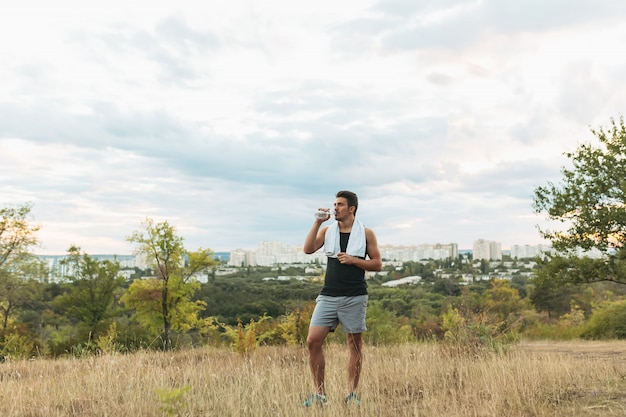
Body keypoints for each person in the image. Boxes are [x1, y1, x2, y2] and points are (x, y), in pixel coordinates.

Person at [302, 190, 382, 407]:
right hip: (328, 295)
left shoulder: (366, 233)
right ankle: (320, 395)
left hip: (355, 296)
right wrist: (317, 223)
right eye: (334, 204)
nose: (335, 208)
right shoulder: (328, 231)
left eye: (339, 205)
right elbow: (308, 249)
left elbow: (377, 264)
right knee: (312, 341)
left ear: (351, 208)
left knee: (354, 346)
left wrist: (354, 260)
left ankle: (351, 395)